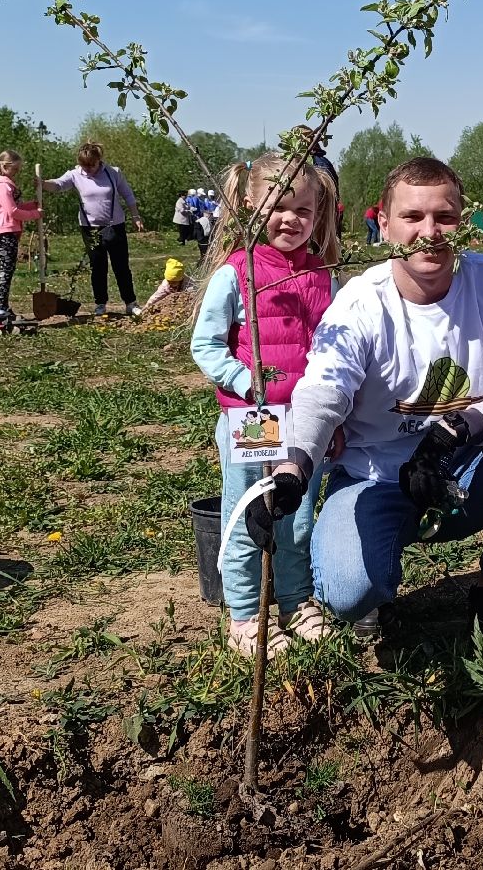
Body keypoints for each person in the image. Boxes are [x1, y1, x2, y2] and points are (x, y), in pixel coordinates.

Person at [262, 156, 483, 643]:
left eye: (445, 217)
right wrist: (294, 466)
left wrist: (457, 431)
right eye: (412, 217)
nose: (430, 231)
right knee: (348, 595)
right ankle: (373, 593)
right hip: (376, 479)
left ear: (464, 221)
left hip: (468, 474)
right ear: (384, 224)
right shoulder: (362, 302)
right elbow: (323, 391)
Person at [190, 155, 341, 656]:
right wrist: (245, 382)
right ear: (252, 203)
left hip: (304, 422)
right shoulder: (237, 273)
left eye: (303, 209)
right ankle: (244, 614)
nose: (290, 219)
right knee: (248, 510)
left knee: (297, 515)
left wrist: (335, 415)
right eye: (279, 205)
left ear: (320, 213)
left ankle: (297, 601)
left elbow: (336, 349)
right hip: (253, 419)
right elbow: (206, 344)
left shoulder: (323, 276)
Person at [43, 141, 144, 316]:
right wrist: (43, 183)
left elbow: (127, 194)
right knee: (98, 266)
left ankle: (130, 302)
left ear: (99, 160)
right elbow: (58, 185)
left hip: (115, 226)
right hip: (90, 229)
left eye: (92, 164)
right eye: (84, 165)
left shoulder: (113, 173)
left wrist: (136, 216)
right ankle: (100, 303)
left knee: (121, 266)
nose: (88, 168)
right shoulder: (75, 175)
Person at [0, 150, 43, 323]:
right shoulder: (2, 186)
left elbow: (14, 206)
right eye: (15, 169)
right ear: (6, 166)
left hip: (7, 229)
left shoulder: (4, 184)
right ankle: (0, 309)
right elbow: (13, 211)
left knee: (8, 269)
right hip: (3, 230)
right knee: (5, 271)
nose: (17, 172)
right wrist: (35, 214)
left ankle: (3, 306)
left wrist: (32, 206)